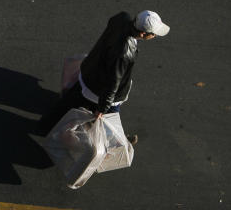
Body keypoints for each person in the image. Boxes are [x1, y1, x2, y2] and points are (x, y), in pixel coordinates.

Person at [38, 10, 170, 140]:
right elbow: (114, 82)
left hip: (89, 74)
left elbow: (112, 24)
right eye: (154, 34)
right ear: (143, 33)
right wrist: (102, 108)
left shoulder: (122, 18)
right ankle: (117, 140)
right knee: (111, 118)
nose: (155, 36)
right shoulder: (123, 53)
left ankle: (45, 125)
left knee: (69, 102)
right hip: (100, 92)